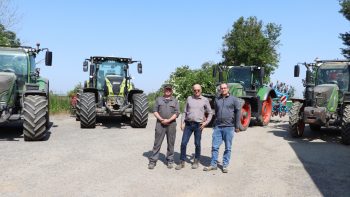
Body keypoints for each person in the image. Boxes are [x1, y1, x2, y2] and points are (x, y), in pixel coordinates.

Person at [203, 83, 241, 173]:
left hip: (229, 127)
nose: (223, 89)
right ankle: (213, 165)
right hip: (218, 127)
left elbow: (238, 113)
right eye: (221, 88)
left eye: (225, 88)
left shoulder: (234, 99)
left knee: (228, 148)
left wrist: (237, 126)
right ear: (220, 89)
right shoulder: (217, 99)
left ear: (228, 89)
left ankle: (225, 165)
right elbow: (216, 110)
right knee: (215, 146)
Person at [175, 84, 212, 170]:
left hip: (198, 125)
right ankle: (182, 161)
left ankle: (196, 160)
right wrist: (182, 123)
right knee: (183, 143)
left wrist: (206, 123)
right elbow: (184, 112)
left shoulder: (205, 100)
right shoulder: (189, 98)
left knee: (197, 143)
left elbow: (210, 112)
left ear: (201, 90)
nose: (196, 92)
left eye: (198, 90)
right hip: (188, 124)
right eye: (195, 90)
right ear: (193, 90)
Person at [148, 84, 180, 169]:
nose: (168, 91)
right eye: (166, 89)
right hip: (160, 124)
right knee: (157, 143)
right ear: (164, 90)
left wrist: (168, 120)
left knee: (171, 143)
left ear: (171, 91)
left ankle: (170, 160)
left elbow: (177, 113)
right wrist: (161, 119)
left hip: (171, 124)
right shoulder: (159, 100)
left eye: (169, 89)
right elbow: (155, 111)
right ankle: (153, 161)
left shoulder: (175, 100)